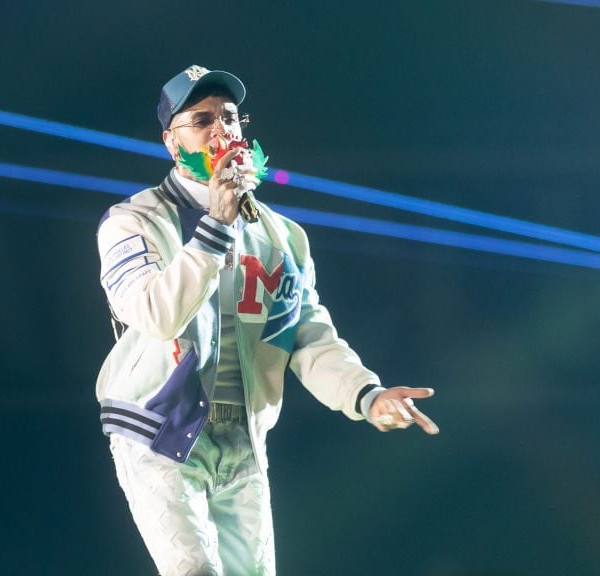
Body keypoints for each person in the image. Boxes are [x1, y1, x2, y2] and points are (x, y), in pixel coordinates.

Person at [95, 65, 439, 576]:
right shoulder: (133, 221)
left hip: (242, 444)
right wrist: (216, 225)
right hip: (157, 433)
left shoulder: (282, 237)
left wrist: (367, 395)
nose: (221, 130)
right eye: (202, 119)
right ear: (171, 141)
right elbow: (154, 313)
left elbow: (306, 335)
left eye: (230, 117)